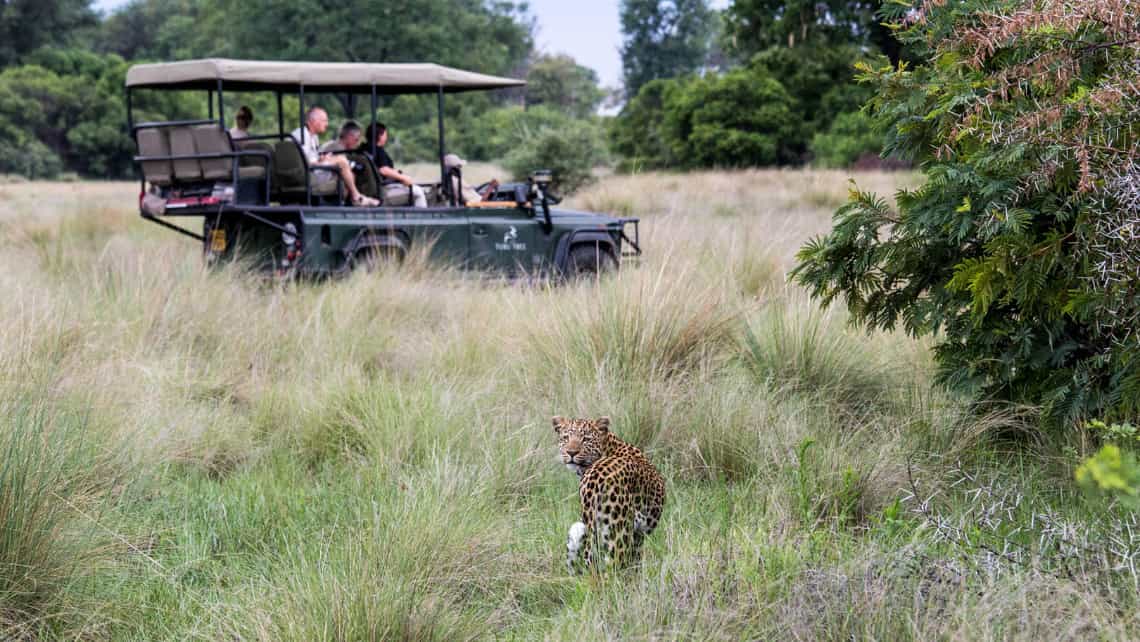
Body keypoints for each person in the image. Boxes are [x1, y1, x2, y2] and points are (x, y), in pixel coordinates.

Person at [290, 107, 378, 207]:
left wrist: (322, 159)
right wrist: (322, 162)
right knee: (342, 160)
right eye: (324, 121)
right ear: (313, 121)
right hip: (308, 173)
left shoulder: (313, 137)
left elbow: (309, 158)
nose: (327, 124)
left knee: (347, 170)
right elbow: (303, 162)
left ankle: (350, 199)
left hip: (312, 170)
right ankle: (356, 197)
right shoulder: (302, 135)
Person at [362, 122, 427, 208]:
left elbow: (379, 168)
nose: (386, 137)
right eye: (385, 135)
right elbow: (383, 170)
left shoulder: (363, 148)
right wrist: (403, 177)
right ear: (380, 136)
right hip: (382, 190)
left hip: (370, 188)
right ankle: (421, 220)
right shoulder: (377, 150)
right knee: (418, 192)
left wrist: (395, 173)